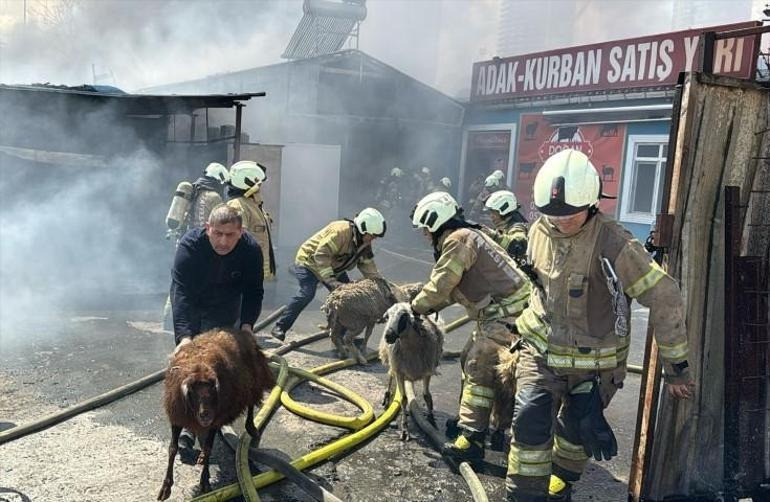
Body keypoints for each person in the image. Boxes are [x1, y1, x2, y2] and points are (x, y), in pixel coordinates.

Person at [505, 149, 694, 502]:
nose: (559, 222)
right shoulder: (537, 232)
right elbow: (538, 287)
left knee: (576, 433)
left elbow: (666, 297)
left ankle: (561, 483)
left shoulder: (614, 244)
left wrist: (677, 369)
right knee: (529, 423)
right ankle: (522, 496)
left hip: (594, 369)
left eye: (570, 214)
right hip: (540, 354)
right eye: (551, 214)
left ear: (592, 203)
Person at [408, 191, 531, 461]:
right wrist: (424, 305)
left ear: (436, 221)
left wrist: (413, 309)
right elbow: (453, 292)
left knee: (479, 364)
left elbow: (442, 284)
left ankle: (473, 439)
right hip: (501, 313)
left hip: (508, 315)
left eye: (425, 229)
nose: (424, 235)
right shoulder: (465, 236)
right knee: (468, 358)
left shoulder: (457, 240)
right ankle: (482, 427)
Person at [270, 208, 387, 341]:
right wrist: (331, 282)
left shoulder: (364, 242)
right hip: (309, 262)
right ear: (362, 229)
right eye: (372, 236)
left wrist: (381, 286)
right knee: (307, 293)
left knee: (350, 298)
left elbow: (368, 267)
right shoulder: (340, 232)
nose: (374, 239)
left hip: (333, 267)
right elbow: (321, 255)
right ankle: (280, 327)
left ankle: (341, 337)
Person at [170, 204, 264, 346]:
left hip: (227, 302)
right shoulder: (190, 246)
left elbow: (253, 291)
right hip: (194, 300)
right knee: (190, 349)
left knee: (224, 351)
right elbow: (181, 292)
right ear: (208, 228)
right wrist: (183, 336)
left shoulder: (251, 250)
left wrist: (247, 325)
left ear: (241, 232)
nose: (223, 242)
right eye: (218, 233)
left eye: (230, 235)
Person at [163, 162, 230, 329]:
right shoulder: (214, 197)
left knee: (179, 283)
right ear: (220, 180)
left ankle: (169, 320)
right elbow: (222, 223)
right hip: (201, 249)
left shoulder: (193, 191)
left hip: (183, 245)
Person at [226, 161, 276, 281]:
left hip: (254, 272)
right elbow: (236, 240)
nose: (260, 187)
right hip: (244, 273)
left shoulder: (253, 205)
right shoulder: (238, 205)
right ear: (248, 182)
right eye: (258, 184)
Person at [482, 190, 528, 262]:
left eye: (494, 212)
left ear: (504, 210)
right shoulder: (504, 226)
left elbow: (518, 247)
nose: (491, 216)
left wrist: (494, 236)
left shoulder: (517, 227)